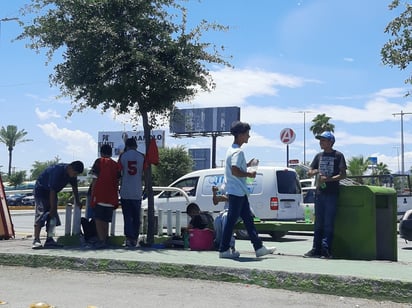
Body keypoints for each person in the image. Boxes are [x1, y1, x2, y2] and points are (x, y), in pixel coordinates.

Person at [218, 121, 275, 259]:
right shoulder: (238, 151)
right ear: (240, 135)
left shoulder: (231, 150)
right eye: (247, 134)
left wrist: (247, 165)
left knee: (248, 220)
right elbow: (235, 170)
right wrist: (249, 173)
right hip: (237, 191)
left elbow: (236, 168)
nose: (249, 136)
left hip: (238, 191)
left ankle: (259, 247)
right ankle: (224, 250)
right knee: (231, 221)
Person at [304, 131, 347, 259]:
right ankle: (315, 249)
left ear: (330, 142)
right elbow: (309, 172)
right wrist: (315, 172)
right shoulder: (318, 156)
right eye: (320, 140)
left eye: (323, 140)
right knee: (318, 223)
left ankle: (326, 249)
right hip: (319, 193)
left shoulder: (338, 155)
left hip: (332, 193)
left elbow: (343, 174)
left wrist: (328, 179)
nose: (321, 142)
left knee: (328, 222)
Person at [32, 160, 84, 249]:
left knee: (53, 217)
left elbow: (75, 187)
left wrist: (78, 201)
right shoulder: (57, 171)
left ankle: (50, 239)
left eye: (76, 175)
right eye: (75, 173)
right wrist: (52, 207)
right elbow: (52, 190)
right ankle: (36, 239)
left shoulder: (72, 174)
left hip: (53, 192)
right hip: (42, 191)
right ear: (70, 167)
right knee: (41, 214)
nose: (75, 176)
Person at [90, 144, 121, 249]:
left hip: (100, 195)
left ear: (101, 153)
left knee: (98, 219)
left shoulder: (99, 162)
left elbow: (94, 179)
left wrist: (93, 194)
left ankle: (101, 240)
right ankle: (105, 239)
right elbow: (117, 180)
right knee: (106, 220)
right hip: (111, 196)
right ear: (111, 153)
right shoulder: (115, 164)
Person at [118, 137, 145, 248]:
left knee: (127, 217)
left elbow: (118, 172)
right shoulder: (142, 156)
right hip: (137, 191)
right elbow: (145, 172)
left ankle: (129, 239)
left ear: (127, 146)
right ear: (136, 146)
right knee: (136, 217)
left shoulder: (123, 156)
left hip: (125, 190)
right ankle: (135, 238)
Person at [212, 185, 236, 253]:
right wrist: (214, 193)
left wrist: (221, 197)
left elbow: (232, 198)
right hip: (227, 211)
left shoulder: (237, 184)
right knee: (217, 221)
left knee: (226, 217)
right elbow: (215, 202)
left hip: (238, 211)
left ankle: (230, 245)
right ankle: (219, 243)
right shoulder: (223, 186)